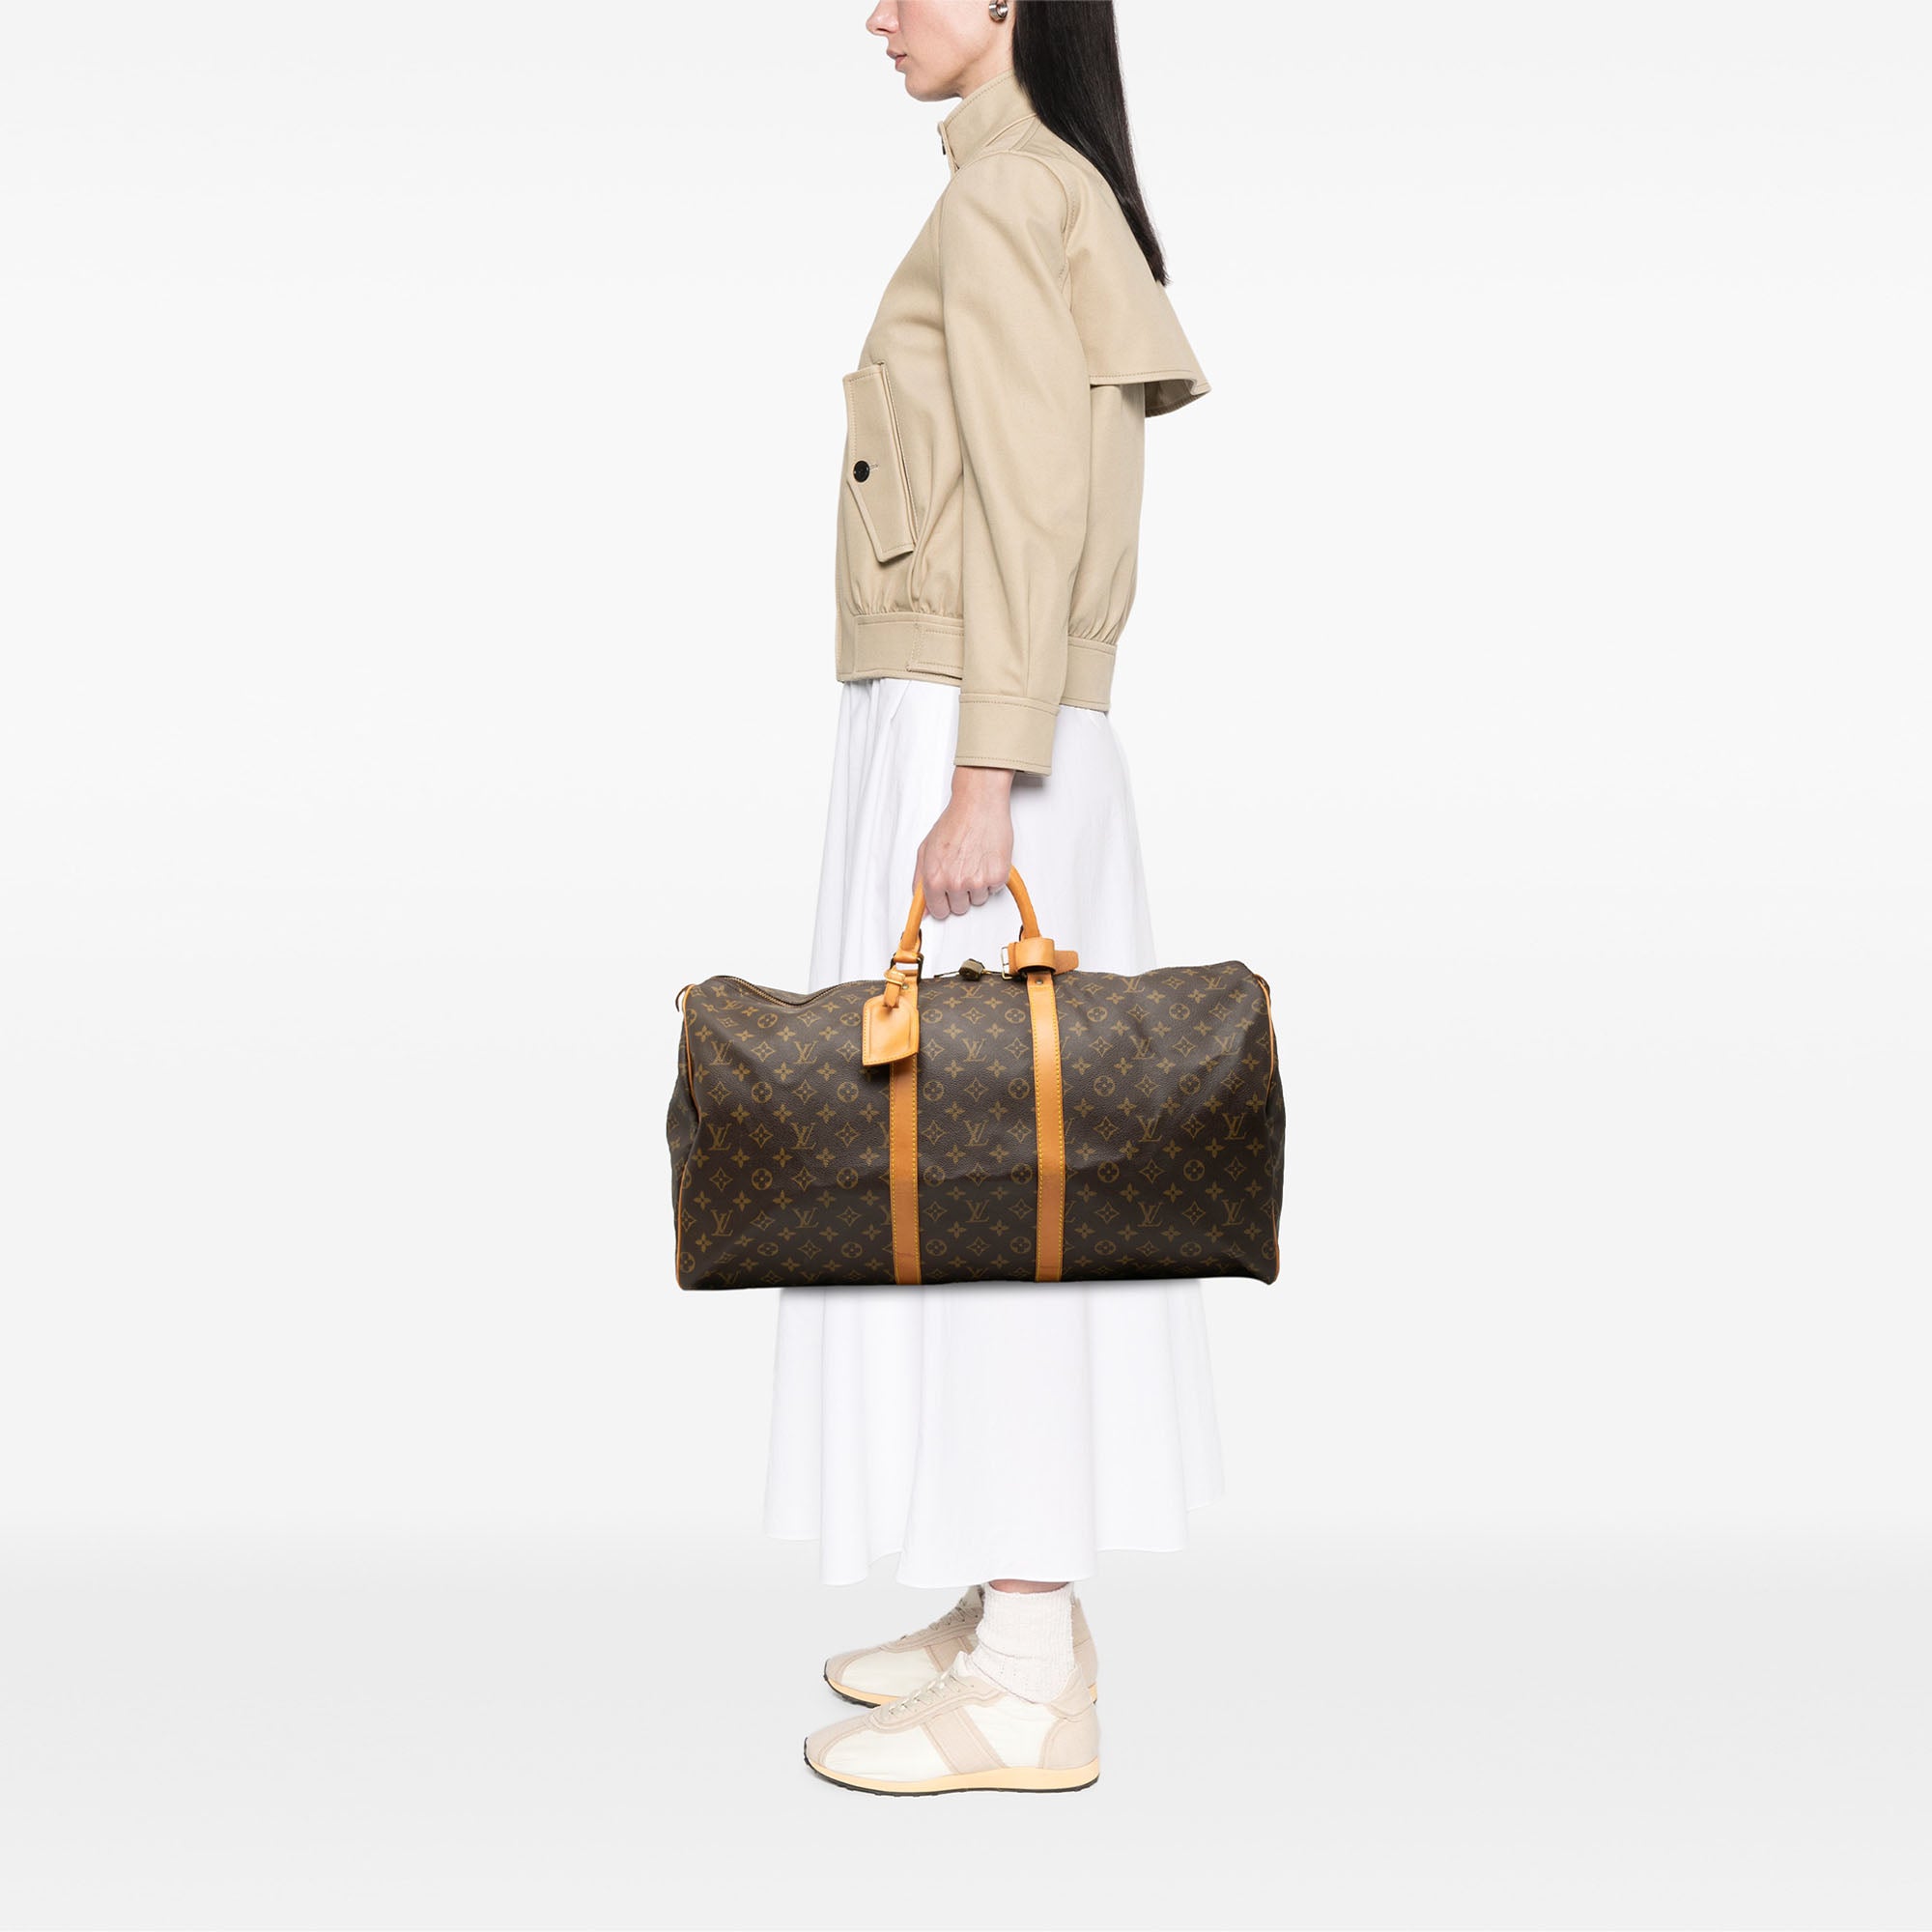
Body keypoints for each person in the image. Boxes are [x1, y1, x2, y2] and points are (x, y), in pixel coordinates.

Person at [765, 0, 1220, 1795]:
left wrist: (980, 776)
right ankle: (1008, 1607)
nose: (877, 13)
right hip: (986, 720)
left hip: (975, 732)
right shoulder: (1038, 185)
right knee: (987, 1169)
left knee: (993, 1185)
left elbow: (1030, 507)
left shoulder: (1010, 194)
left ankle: (1029, 1681)